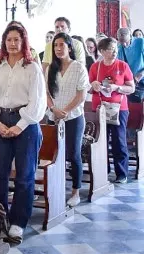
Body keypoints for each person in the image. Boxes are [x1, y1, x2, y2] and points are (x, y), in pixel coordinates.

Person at [0, 25, 47, 243]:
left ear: (23, 42)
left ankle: (18, 222)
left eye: (16, 40)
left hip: (26, 124)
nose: (12, 44)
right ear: (4, 42)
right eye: (9, 40)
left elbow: (38, 101)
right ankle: (1, 220)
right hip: (1, 121)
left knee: (25, 176)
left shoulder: (32, 68)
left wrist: (20, 125)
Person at [46, 33, 89, 207]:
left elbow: (81, 94)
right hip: (54, 117)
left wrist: (65, 110)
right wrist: (53, 109)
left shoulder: (79, 67)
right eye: (55, 45)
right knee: (54, 155)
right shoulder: (50, 68)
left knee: (73, 154)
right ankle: (55, 189)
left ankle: (75, 192)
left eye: (62, 45)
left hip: (73, 117)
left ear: (69, 47)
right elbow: (46, 93)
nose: (58, 48)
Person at [89, 37, 135, 183]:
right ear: (102, 51)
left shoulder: (123, 66)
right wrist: (94, 85)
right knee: (100, 141)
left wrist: (118, 88)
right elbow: (88, 89)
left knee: (118, 140)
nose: (114, 52)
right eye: (110, 49)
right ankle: (103, 171)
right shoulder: (95, 67)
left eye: (115, 48)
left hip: (119, 109)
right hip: (99, 109)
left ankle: (121, 173)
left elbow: (131, 88)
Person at [117, 27, 144, 103]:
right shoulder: (119, 47)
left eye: (126, 41)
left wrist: (140, 74)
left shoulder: (141, 42)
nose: (124, 44)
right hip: (131, 82)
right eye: (121, 42)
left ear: (131, 36)